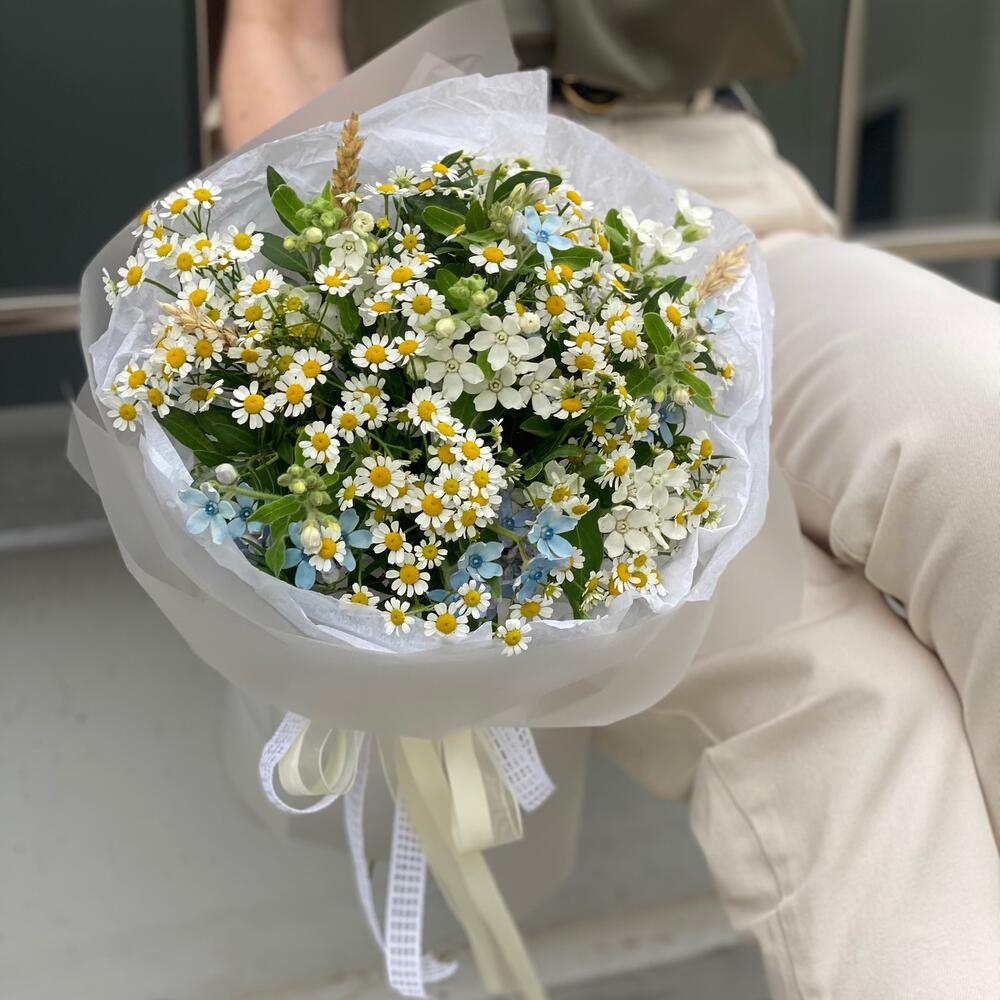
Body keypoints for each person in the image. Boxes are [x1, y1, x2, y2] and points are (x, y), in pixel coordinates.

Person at [219, 3, 1000, 996]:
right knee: (845, 707)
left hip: (717, 188)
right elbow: (282, 28)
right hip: (440, 199)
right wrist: (331, 314)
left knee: (977, 426)